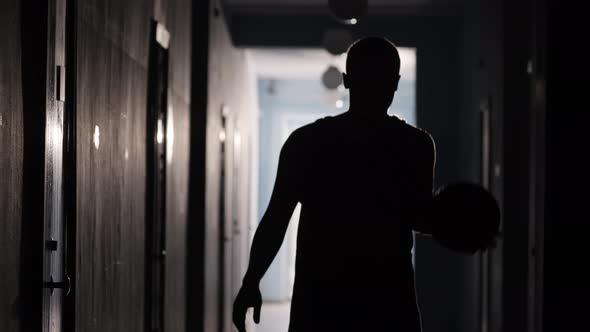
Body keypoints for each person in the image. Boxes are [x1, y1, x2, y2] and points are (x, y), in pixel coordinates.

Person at [233, 36, 436, 332]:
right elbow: (421, 217)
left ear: (346, 80)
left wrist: (251, 281)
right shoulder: (416, 145)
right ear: (395, 82)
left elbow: (277, 217)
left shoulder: (307, 142)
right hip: (388, 304)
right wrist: (459, 220)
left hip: (319, 304)